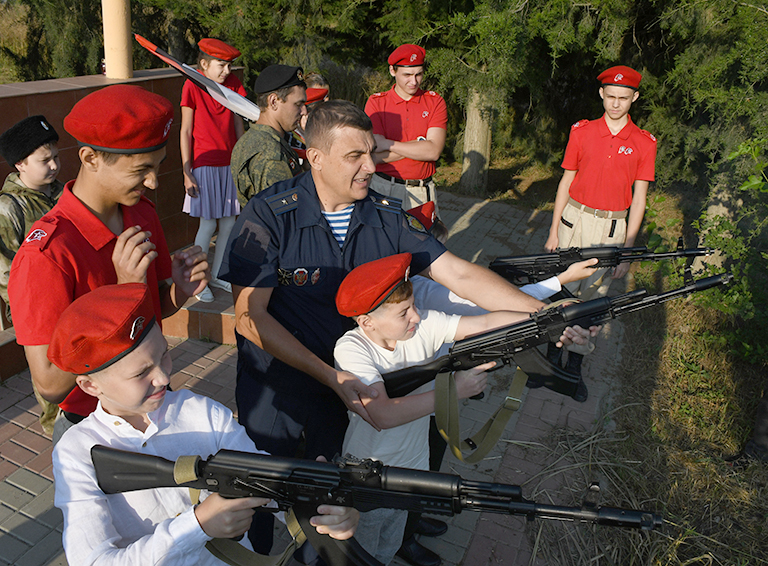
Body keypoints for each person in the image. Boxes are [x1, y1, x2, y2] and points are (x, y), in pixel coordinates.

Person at [218, 100, 596, 561]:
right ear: (315, 157)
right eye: (354, 156)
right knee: (260, 494)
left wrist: (544, 316)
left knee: (335, 507)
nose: (369, 166)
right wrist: (330, 376)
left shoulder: (382, 214)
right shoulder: (271, 215)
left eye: (371, 153)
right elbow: (249, 317)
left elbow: (459, 274)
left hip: (355, 393)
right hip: (282, 389)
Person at [49, 282, 359, 566]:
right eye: (140, 373)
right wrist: (196, 525)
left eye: (164, 356)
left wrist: (315, 505)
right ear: (90, 386)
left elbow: (261, 476)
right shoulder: (77, 452)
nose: (163, 377)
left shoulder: (199, 411)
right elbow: (92, 561)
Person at [8, 84, 210, 444]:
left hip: (155, 404)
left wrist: (180, 291)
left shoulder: (141, 214)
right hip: (94, 425)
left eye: (158, 166)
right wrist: (120, 293)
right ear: (89, 158)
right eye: (140, 170)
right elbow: (50, 384)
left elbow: (149, 315)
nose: (152, 182)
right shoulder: (48, 254)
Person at [542, 65, 657, 396]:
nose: (616, 104)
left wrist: (628, 249)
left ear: (634, 97)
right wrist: (553, 231)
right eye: (611, 97)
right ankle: (549, 360)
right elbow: (565, 182)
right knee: (560, 291)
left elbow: (639, 199)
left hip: (610, 227)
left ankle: (573, 369)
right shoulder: (582, 131)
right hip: (573, 220)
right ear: (601, 95)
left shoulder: (643, 142)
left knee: (592, 300)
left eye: (624, 98)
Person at [0, 115, 64, 435]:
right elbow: (5, 271)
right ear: (20, 165)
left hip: (70, 298)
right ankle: (57, 434)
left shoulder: (63, 194)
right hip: (36, 311)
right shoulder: (9, 208)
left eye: (56, 157)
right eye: (44, 160)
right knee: (50, 383)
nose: (54, 165)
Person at [181, 38, 246, 303]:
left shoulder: (232, 86)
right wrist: (187, 170)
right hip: (205, 163)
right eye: (221, 65)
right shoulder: (192, 84)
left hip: (230, 164)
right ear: (204, 64)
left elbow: (239, 125)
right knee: (207, 224)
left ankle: (219, 273)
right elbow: (185, 131)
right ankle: (198, 279)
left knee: (229, 223)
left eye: (229, 65)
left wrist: (242, 161)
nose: (226, 71)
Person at [366, 44, 447, 213]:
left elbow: (433, 152)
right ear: (392, 71)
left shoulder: (434, 102)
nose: (414, 81)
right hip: (384, 188)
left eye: (419, 74)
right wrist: (419, 145)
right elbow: (374, 152)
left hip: (422, 191)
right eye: (407, 75)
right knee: (383, 240)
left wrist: (388, 144)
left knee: (425, 239)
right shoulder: (377, 103)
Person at [230, 64, 306, 207]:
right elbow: (284, 213)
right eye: (298, 104)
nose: (303, 111)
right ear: (273, 102)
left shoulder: (250, 139)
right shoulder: (271, 153)